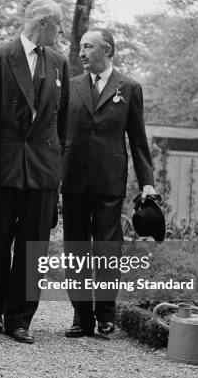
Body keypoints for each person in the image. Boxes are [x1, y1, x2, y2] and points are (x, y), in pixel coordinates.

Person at [0, 0, 69, 344]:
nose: (61, 31)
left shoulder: (59, 63)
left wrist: (57, 171)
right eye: (58, 24)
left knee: (34, 248)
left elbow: (62, 125)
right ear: (42, 22)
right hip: (5, 167)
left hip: (43, 170)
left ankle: (21, 318)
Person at [61, 28, 155, 337]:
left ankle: (105, 315)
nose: (82, 53)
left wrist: (148, 185)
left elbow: (139, 143)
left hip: (109, 182)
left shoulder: (129, 88)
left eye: (89, 46)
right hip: (73, 180)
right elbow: (59, 136)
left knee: (106, 248)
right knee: (74, 249)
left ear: (108, 50)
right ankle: (81, 317)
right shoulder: (71, 87)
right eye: (81, 47)